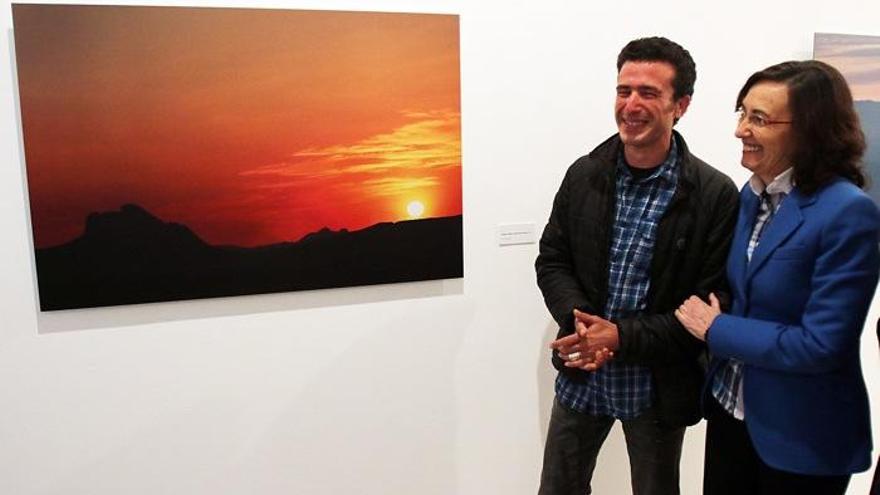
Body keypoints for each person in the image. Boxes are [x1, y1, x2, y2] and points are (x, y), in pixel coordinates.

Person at [535, 36, 739, 495]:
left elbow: (708, 303)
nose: (631, 104)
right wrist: (580, 324)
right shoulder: (584, 173)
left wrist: (621, 337)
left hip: (657, 385)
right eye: (624, 90)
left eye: (648, 93)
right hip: (582, 370)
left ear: (680, 104)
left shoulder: (713, 194)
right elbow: (552, 259)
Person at [675, 60, 880, 495]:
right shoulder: (752, 196)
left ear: (810, 131)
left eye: (760, 119)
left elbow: (822, 344)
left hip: (800, 436)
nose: (741, 130)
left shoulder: (848, 212)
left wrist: (717, 329)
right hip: (733, 414)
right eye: (743, 113)